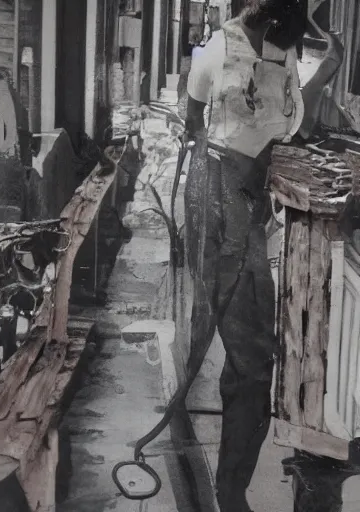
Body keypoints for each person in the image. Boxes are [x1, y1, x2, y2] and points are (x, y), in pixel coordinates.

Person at [183, 1, 307, 511]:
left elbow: (293, 119)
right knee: (255, 361)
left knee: (252, 356)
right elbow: (194, 119)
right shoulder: (219, 46)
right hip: (217, 200)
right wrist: (220, 191)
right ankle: (230, 492)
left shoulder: (285, 50)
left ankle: (229, 482)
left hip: (254, 203)